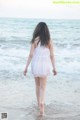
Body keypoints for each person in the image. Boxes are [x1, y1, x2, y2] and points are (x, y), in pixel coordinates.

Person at [23, 22, 57, 116]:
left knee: (37, 86)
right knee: (43, 87)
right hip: (45, 65)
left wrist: (26, 68)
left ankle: (39, 104)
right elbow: (52, 56)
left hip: (36, 65)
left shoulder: (35, 40)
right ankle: (42, 103)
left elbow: (30, 55)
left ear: (37, 29)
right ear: (46, 30)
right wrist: (54, 68)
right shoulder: (49, 40)